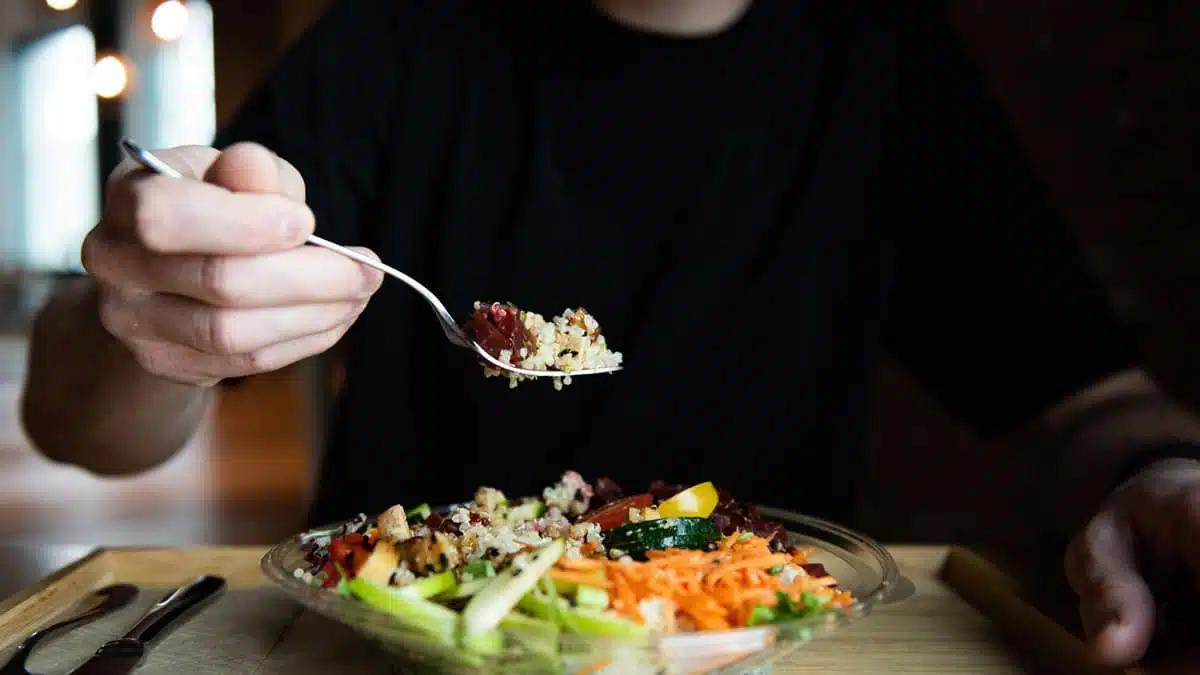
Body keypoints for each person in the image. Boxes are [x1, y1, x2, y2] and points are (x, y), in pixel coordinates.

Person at [18, 0, 1200, 668]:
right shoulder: (389, 40)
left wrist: (1166, 475)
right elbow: (80, 432)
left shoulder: (887, 60)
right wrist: (144, 314)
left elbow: (1091, 405)